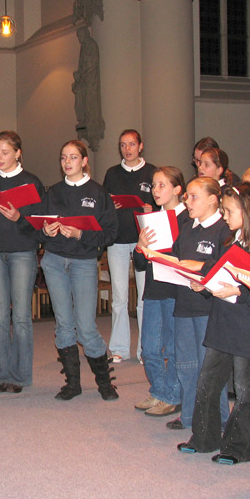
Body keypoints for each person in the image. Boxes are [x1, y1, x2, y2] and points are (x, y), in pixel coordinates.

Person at [177, 182, 250, 464]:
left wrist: (239, 291)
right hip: (222, 322)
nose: (225, 215)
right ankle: (204, 438)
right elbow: (220, 272)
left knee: (244, 390)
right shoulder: (231, 241)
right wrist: (205, 285)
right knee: (207, 381)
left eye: (229, 211)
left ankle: (238, 448)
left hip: (248, 326)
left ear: (249, 211)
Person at [40, 140, 119, 401]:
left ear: (84, 161)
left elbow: (110, 234)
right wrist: (45, 230)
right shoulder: (52, 192)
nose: (67, 162)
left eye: (73, 157)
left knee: (85, 326)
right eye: (63, 157)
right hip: (54, 261)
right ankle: (72, 384)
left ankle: (105, 383)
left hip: (83, 262)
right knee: (64, 325)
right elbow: (37, 227)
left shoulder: (98, 193)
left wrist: (81, 234)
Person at [0, 131, 44, 393]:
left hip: (22, 253)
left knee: (22, 317)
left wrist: (19, 218)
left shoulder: (31, 183)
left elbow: (40, 228)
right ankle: (0, 374)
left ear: (18, 153)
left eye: (5, 152)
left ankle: (20, 376)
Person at [165, 176, 230, 431]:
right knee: (186, 364)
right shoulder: (188, 227)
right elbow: (177, 257)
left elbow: (228, 267)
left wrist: (202, 269)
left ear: (213, 199)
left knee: (209, 366)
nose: (187, 202)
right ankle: (189, 415)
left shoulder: (223, 229)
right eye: (186, 197)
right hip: (184, 304)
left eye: (194, 197)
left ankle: (219, 418)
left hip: (208, 308)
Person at [133, 166, 186, 417]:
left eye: (162, 185)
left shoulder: (187, 220)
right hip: (154, 289)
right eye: (154, 185)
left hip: (176, 291)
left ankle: (172, 395)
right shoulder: (152, 219)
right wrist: (140, 246)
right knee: (149, 348)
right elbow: (140, 264)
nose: (155, 190)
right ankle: (159, 391)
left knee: (173, 348)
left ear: (177, 189)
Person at [102, 129, 156, 363]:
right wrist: (110, 206)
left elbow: (162, 204)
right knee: (119, 297)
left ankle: (145, 350)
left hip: (143, 240)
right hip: (118, 240)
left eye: (132, 144)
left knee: (144, 297)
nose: (127, 149)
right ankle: (119, 348)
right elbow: (104, 205)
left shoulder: (152, 172)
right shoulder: (112, 173)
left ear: (140, 146)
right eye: (123, 145)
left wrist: (152, 208)